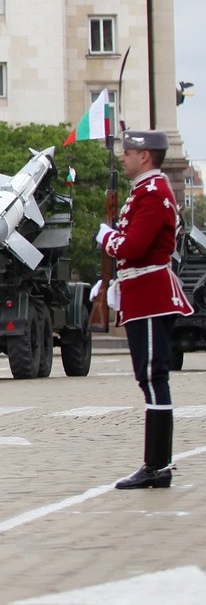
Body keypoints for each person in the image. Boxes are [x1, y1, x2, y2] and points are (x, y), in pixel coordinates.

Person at [96, 130, 192, 489]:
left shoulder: (153, 193)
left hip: (150, 295)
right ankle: (156, 465)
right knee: (149, 379)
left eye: (129, 152)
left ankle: (157, 466)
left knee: (154, 378)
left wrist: (107, 238)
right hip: (140, 293)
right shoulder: (145, 191)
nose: (124, 157)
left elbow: (133, 246)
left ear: (146, 156)